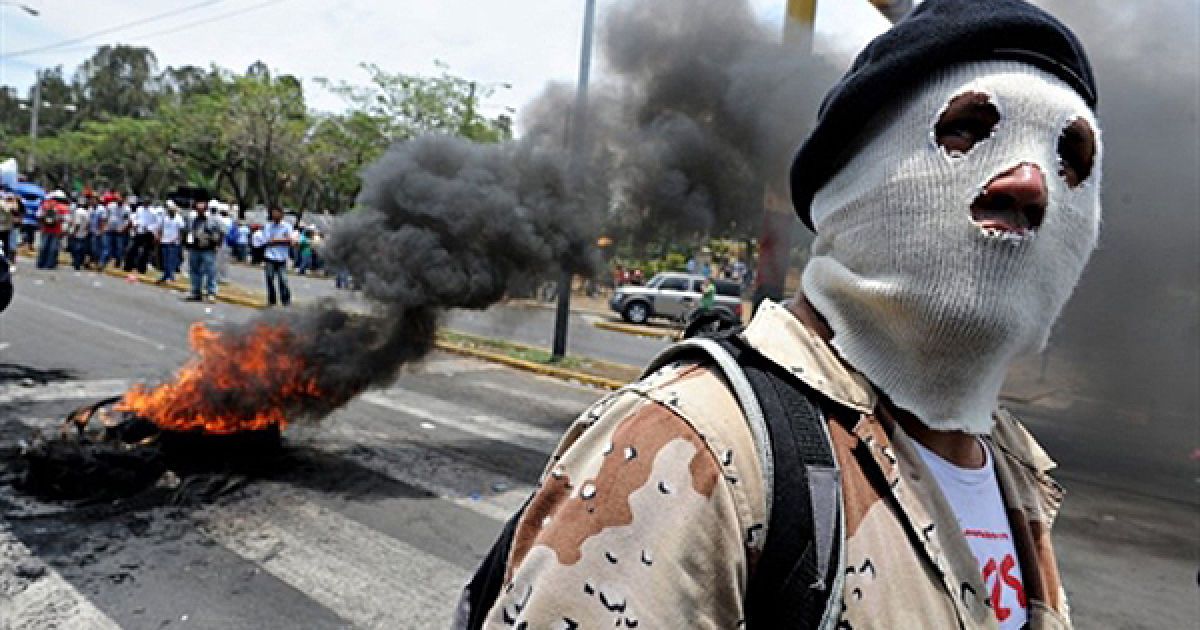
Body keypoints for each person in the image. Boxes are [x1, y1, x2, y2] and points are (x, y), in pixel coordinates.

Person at [468, 1, 1100, 628]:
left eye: (1070, 156)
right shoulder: (700, 442)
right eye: (966, 129)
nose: (1032, 182)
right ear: (850, 178)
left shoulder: (1017, 473)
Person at [182, 199, 224, 302]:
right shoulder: (193, 219)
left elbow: (222, 232)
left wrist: (218, 244)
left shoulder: (214, 219)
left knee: (210, 271)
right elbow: (188, 231)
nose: (199, 211)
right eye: (197, 209)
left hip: (208, 249)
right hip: (195, 248)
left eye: (202, 209)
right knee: (194, 271)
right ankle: (196, 291)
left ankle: (211, 292)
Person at [261, 206, 294, 307]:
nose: (274, 215)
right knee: (269, 278)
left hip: (282, 257)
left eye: (276, 213)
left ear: (281, 215)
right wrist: (282, 240)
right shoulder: (268, 226)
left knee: (283, 280)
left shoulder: (287, 226)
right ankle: (272, 301)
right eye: (273, 213)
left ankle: (286, 301)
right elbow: (267, 241)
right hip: (270, 257)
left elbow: (290, 241)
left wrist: (276, 240)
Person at [34, 190, 69, 270]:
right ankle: (49, 264)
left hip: (48, 230)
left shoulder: (45, 205)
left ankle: (41, 263)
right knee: (52, 248)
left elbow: (38, 215)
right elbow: (67, 220)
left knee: (45, 247)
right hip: (55, 230)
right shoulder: (63, 208)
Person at [156, 200, 185, 285]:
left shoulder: (179, 218)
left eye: (172, 210)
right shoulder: (165, 217)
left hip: (174, 243)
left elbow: (181, 232)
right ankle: (167, 276)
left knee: (170, 261)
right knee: (165, 261)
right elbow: (161, 228)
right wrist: (159, 237)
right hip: (164, 241)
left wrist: (176, 239)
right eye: (170, 210)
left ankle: (169, 277)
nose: (171, 211)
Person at [125, 196, 157, 273]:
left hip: (148, 233)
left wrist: (149, 228)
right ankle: (128, 267)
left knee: (145, 252)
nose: (145, 204)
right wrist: (135, 224)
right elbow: (135, 218)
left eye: (147, 202)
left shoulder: (153, 212)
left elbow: (156, 223)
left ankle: (141, 269)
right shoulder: (139, 209)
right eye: (144, 202)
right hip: (139, 231)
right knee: (132, 249)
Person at [102, 200, 129, 270]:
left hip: (119, 232)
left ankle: (117, 264)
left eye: (121, 200)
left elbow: (127, 221)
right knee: (106, 248)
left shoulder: (126, 208)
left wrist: (122, 229)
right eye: (118, 199)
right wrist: (104, 226)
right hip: (109, 230)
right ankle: (102, 264)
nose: (119, 201)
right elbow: (105, 216)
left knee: (119, 249)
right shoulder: (110, 205)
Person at [67, 202, 91, 270]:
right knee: (81, 250)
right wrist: (86, 232)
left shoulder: (78, 212)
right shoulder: (87, 213)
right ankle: (79, 262)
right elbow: (88, 224)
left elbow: (77, 224)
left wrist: (74, 233)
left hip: (77, 234)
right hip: (83, 234)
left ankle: (76, 263)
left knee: (75, 249)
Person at [0, 190, 18, 263]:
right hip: (2, 227)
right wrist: (13, 202)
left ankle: (6, 259)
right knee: (4, 244)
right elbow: (7, 209)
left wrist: (14, 201)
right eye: (9, 198)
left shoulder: (11, 204)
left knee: (6, 244)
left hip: (6, 228)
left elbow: (15, 210)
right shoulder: (2, 203)